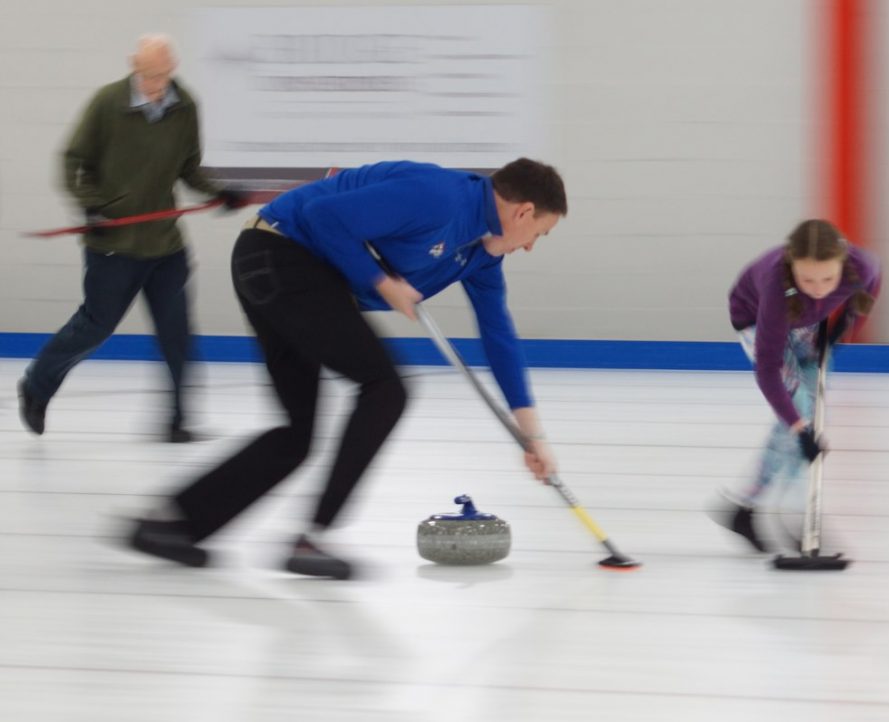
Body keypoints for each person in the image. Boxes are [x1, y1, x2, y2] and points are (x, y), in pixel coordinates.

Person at [126, 157, 567, 579]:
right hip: (279, 254)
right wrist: (382, 284)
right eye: (539, 234)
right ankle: (311, 539)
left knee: (298, 434)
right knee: (385, 388)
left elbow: (499, 336)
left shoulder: (482, 253)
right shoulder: (440, 197)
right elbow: (323, 215)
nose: (529, 246)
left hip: (299, 276)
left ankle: (169, 523)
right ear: (524, 211)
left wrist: (531, 434)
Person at [16, 34, 247, 443]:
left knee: (176, 333)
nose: (158, 85)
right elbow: (73, 161)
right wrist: (92, 207)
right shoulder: (108, 103)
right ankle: (37, 384)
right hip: (114, 245)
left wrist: (219, 192)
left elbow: (189, 167)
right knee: (95, 326)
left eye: (164, 75)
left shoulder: (184, 105)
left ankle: (177, 421)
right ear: (134, 66)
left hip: (165, 246)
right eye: (150, 75)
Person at [711, 219, 881, 552]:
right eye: (807, 279)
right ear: (792, 267)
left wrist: (848, 325)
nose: (819, 288)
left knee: (809, 416)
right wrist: (798, 428)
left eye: (828, 279)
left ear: (843, 263)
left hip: (806, 322)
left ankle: (745, 507)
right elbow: (768, 370)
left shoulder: (861, 266)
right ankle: (795, 515)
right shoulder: (776, 287)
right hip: (758, 322)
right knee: (800, 417)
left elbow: (873, 284)